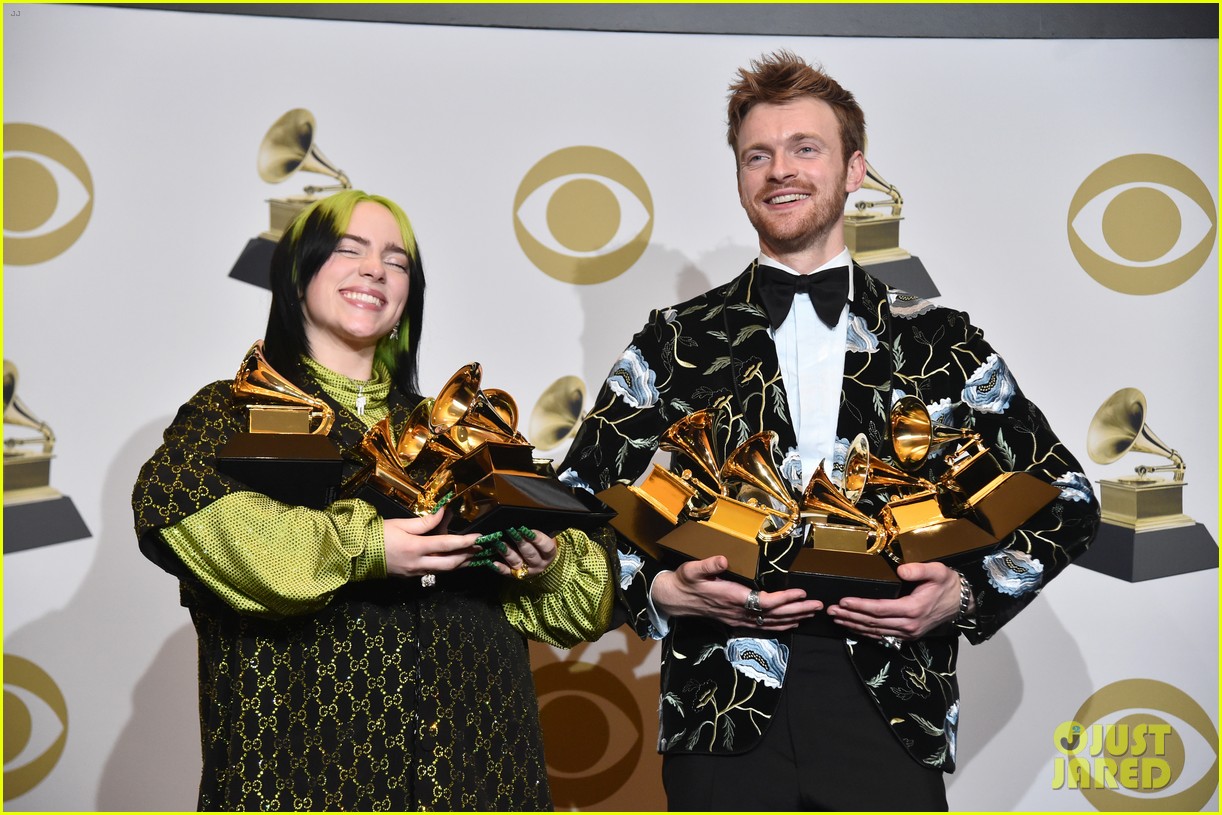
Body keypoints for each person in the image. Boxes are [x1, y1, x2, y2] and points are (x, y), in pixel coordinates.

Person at [558, 51, 1099, 810]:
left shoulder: (938, 339)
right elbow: (575, 504)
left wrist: (965, 594)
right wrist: (663, 591)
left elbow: (1067, 498)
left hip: (890, 705)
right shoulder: (674, 340)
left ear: (854, 169)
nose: (781, 170)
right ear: (741, 176)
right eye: (758, 154)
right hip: (718, 710)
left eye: (805, 148)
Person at [133, 190, 616, 811]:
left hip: (482, 776)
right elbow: (187, 515)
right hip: (303, 777)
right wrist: (369, 546)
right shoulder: (229, 411)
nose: (375, 270)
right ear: (297, 272)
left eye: (397, 261)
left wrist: (539, 560)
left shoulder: (462, 432)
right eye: (348, 250)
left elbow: (581, 604)